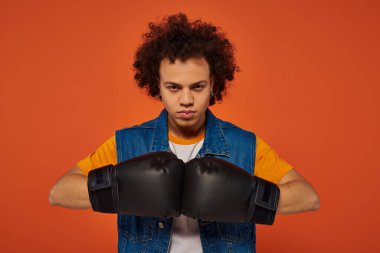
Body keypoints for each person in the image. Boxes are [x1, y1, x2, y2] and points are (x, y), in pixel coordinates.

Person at [49, 13, 320, 253]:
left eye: (198, 87)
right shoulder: (127, 144)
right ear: (158, 85)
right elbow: (59, 192)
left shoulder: (244, 146)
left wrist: (242, 196)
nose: (187, 100)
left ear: (213, 83)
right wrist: (127, 187)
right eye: (174, 87)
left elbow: (308, 197)